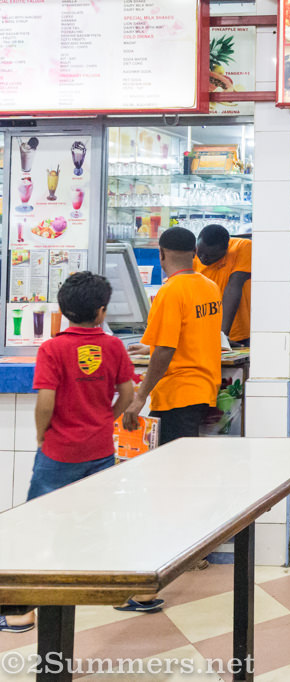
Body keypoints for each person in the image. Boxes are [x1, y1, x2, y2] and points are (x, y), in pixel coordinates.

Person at [2, 272, 142, 632]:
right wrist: (104, 421)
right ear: (101, 312)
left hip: (58, 453)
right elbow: (128, 396)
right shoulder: (114, 347)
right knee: (97, 521)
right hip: (99, 451)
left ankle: (22, 611)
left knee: (37, 523)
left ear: (64, 310)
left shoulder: (53, 348)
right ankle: (112, 592)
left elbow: (45, 400)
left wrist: (41, 434)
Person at [125, 227, 223, 445]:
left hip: (177, 395)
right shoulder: (210, 287)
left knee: (175, 469)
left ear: (161, 253)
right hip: (204, 390)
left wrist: (140, 396)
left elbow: (165, 350)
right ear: (195, 252)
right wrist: (149, 347)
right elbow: (193, 333)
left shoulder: (170, 292)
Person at [194, 225, 251, 346]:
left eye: (211, 256)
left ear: (226, 250)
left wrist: (222, 337)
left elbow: (234, 286)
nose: (203, 258)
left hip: (237, 334)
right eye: (201, 252)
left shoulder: (243, 247)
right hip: (203, 335)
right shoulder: (192, 254)